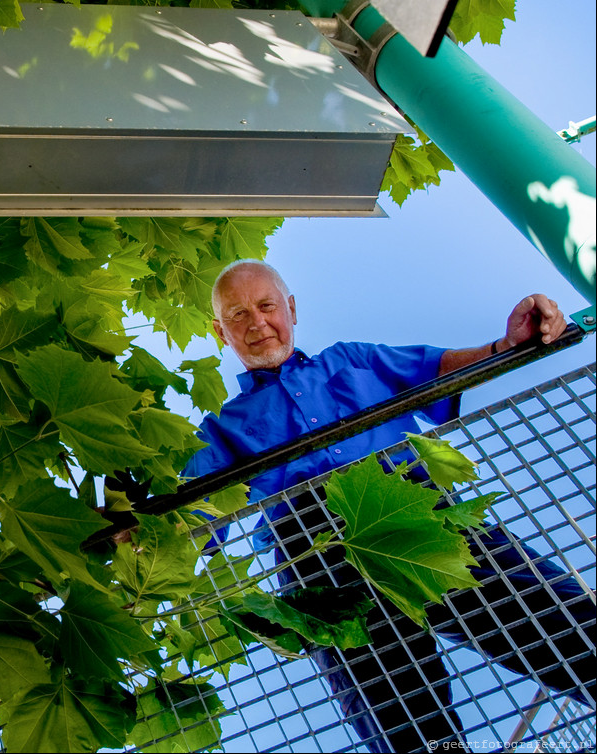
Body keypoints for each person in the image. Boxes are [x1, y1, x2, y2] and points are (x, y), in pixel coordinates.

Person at [180, 259, 595, 753]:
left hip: (412, 509)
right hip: (315, 548)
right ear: (220, 332)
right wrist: (131, 523)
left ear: (291, 308)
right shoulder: (221, 429)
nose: (257, 323)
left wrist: (506, 347)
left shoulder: (351, 359)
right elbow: (194, 520)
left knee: (553, 614)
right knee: (391, 701)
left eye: (266, 306)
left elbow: (434, 370)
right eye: (238, 315)